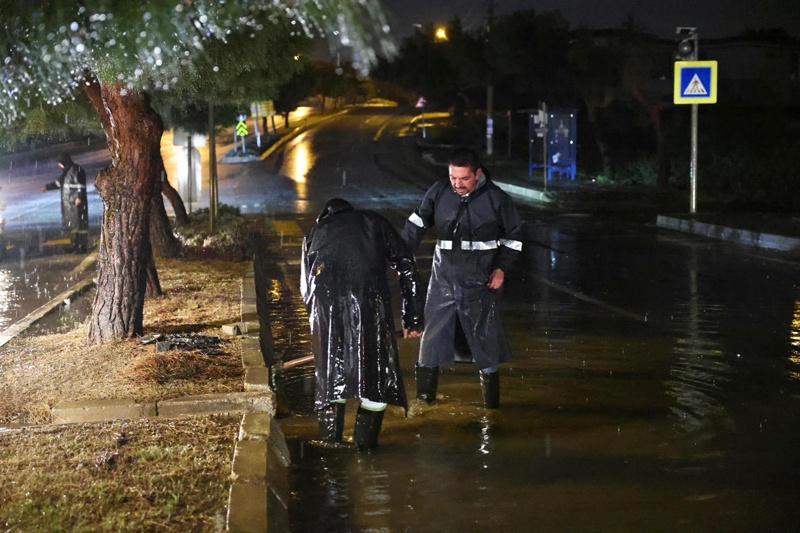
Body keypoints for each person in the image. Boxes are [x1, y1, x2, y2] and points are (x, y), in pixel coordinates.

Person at [402, 148, 523, 409]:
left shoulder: (496, 199)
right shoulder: (439, 191)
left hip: (481, 282)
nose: (457, 184)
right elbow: (416, 225)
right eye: (453, 178)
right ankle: (424, 405)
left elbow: (514, 237)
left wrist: (501, 268)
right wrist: (401, 257)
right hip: (443, 280)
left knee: (485, 342)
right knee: (431, 341)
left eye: (464, 178)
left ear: (477, 174)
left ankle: (492, 409)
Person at [301, 198, 424, 451]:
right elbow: (407, 266)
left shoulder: (316, 232)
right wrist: (412, 319)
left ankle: (330, 445)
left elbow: (306, 288)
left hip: (326, 308)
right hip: (369, 304)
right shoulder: (374, 222)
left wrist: (319, 326)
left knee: (331, 374)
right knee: (376, 374)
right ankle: (365, 446)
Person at [40, 153, 88, 253]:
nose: (59, 165)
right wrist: (47, 187)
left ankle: (81, 246)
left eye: (60, 163)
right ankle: (74, 245)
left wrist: (79, 197)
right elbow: (58, 183)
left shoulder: (76, 170)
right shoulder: (66, 172)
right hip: (69, 204)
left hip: (75, 203)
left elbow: (81, 185)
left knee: (79, 225)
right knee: (72, 225)